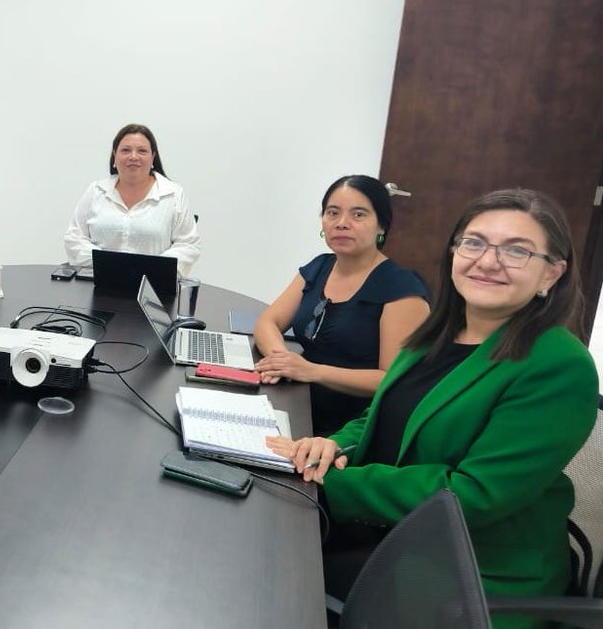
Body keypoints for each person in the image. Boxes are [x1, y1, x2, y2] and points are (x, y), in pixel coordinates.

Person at [270, 189, 597, 626]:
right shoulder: (440, 332)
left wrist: (330, 482)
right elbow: (379, 418)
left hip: (465, 574)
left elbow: (472, 495)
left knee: (273, 586)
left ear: (551, 274)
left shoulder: (560, 365)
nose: (486, 261)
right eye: (474, 242)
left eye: (517, 251)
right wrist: (329, 447)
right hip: (386, 532)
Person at [253, 175, 430, 436]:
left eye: (358, 215)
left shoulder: (402, 289)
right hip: (299, 405)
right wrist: (281, 360)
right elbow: (268, 321)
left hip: (352, 431)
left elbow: (392, 380)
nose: (342, 223)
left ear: (382, 226)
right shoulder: (319, 266)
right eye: (333, 213)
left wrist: (311, 371)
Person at [63, 123, 201, 277]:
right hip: (98, 283)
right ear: (115, 156)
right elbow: (74, 238)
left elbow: (188, 244)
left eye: (142, 151)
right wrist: (107, 263)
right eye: (125, 150)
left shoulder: (173, 194)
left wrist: (152, 268)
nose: (133, 157)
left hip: (153, 288)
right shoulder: (96, 191)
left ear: (153, 157)